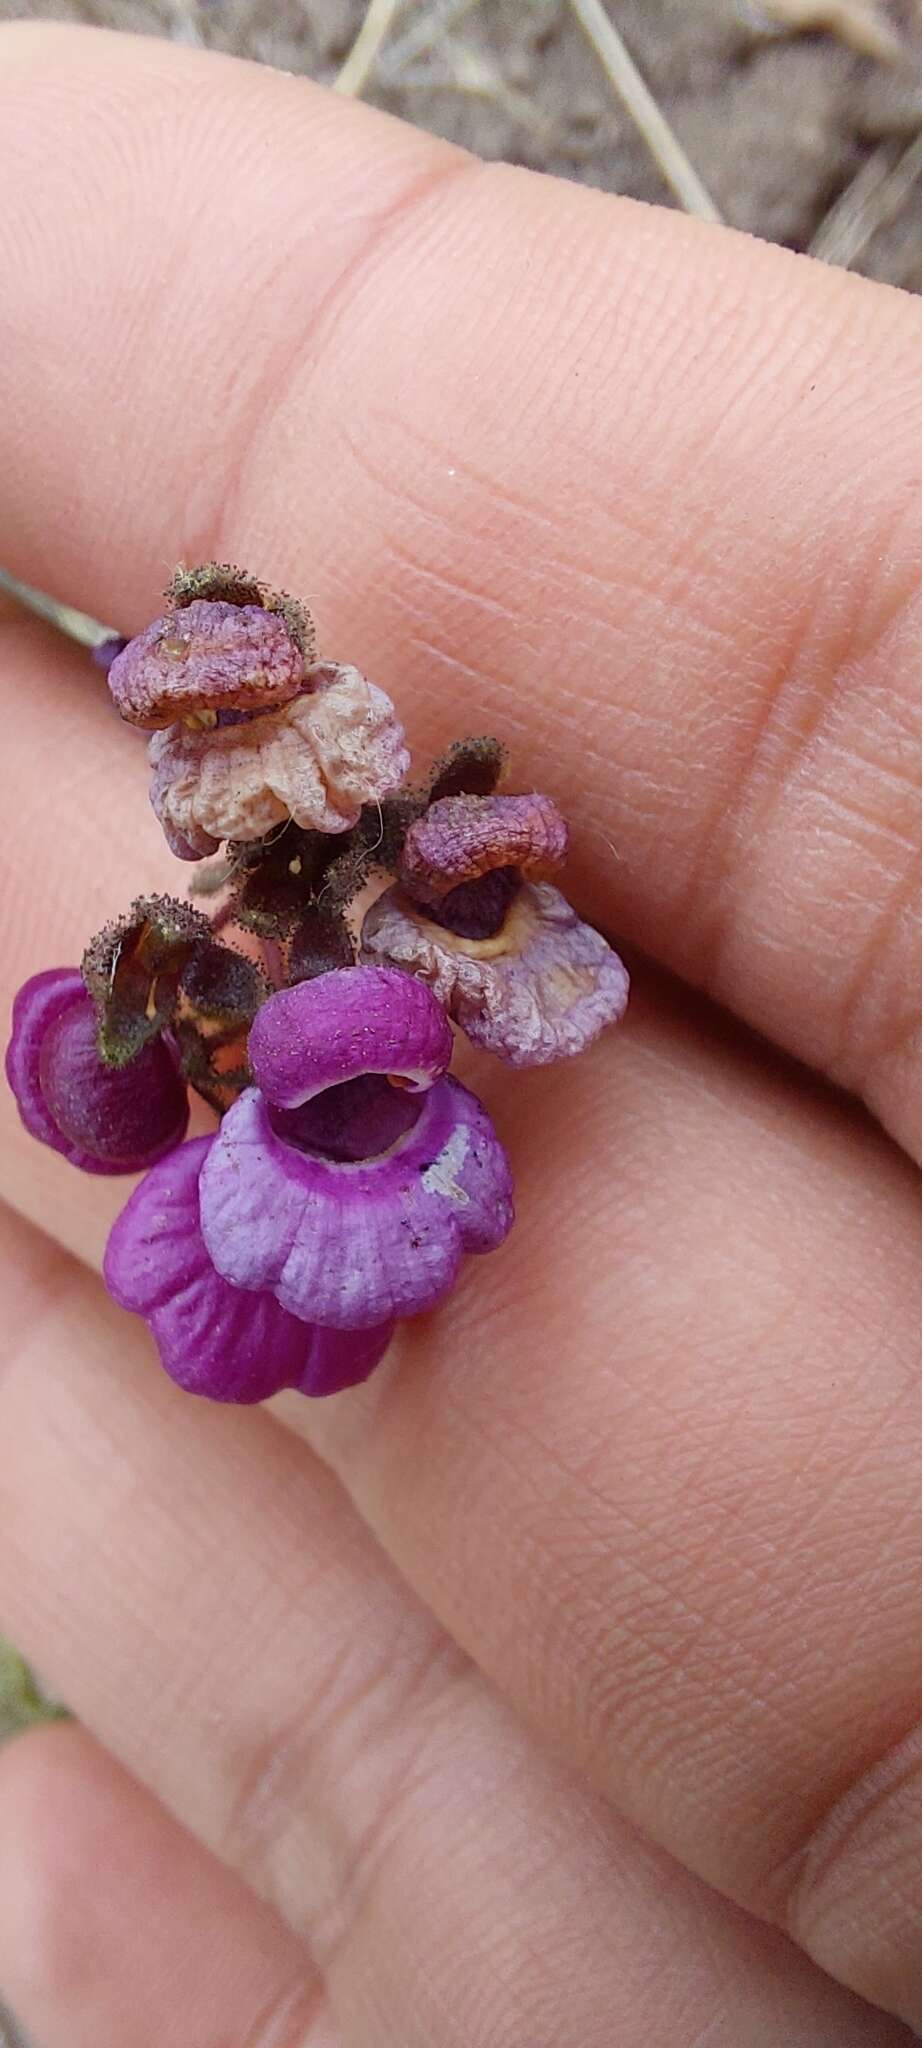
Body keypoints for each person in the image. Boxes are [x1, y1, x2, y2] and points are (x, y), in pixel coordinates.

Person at [2, 19, 922, 2045]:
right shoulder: (246, 863)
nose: (223, 723)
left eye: (235, 700)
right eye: (202, 706)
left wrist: (394, 972)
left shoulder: (378, 902)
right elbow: (110, 1071)